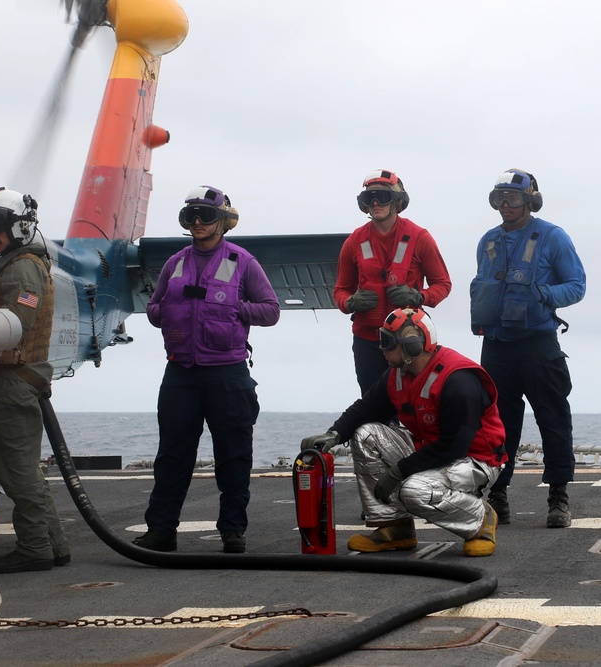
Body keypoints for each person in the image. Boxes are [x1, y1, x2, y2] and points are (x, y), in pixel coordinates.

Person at [134, 186, 280, 554]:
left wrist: (234, 309)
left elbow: (270, 310)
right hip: (180, 373)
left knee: (233, 454)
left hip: (227, 372)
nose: (197, 222)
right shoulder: (176, 262)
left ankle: (233, 530)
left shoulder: (242, 261)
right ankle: (161, 530)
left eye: (205, 215)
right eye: (190, 216)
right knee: (172, 454)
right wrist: (165, 311)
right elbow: (152, 310)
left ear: (223, 221)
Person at [301, 308, 505, 557]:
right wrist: (334, 434)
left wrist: (399, 471)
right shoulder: (398, 374)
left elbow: (455, 446)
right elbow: (366, 408)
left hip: (476, 459)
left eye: (387, 343)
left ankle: (480, 519)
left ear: (412, 346)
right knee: (366, 435)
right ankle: (395, 527)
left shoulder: (458, 379)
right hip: (432, 448)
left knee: (414, 491)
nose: (381, 349)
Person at [469, 169, 586, 528]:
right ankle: (499, 496)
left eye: (514, 198)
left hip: (538, 346)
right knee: (497, 425)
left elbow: (577, 285)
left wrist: (546, 294)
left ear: (530, 200)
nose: (506, 205)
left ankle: (558, 498)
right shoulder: (488, 241)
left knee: (553, 419)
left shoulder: (553, 237)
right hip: (497, 346)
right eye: (499, 198)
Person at [0, 187, 70, 574]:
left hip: (13, 382)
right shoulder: (19, 263)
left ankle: (34, 548)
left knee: (16, 470)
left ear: (21, 227)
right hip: (20, 381)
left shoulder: (22, 268)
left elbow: (12, 326)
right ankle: (52, 544)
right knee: (26, 468)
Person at [334, 169, 452, 395]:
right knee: (372, 403)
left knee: (412, 401)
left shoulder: (420, 238)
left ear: (397, 202)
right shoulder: (354, 241)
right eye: (370, 198)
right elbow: (340, 290)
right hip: (367, 339)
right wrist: (350, 303)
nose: (376, 203)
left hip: (410, 339)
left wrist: (419, 297)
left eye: (383, 197)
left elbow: (443, 284)